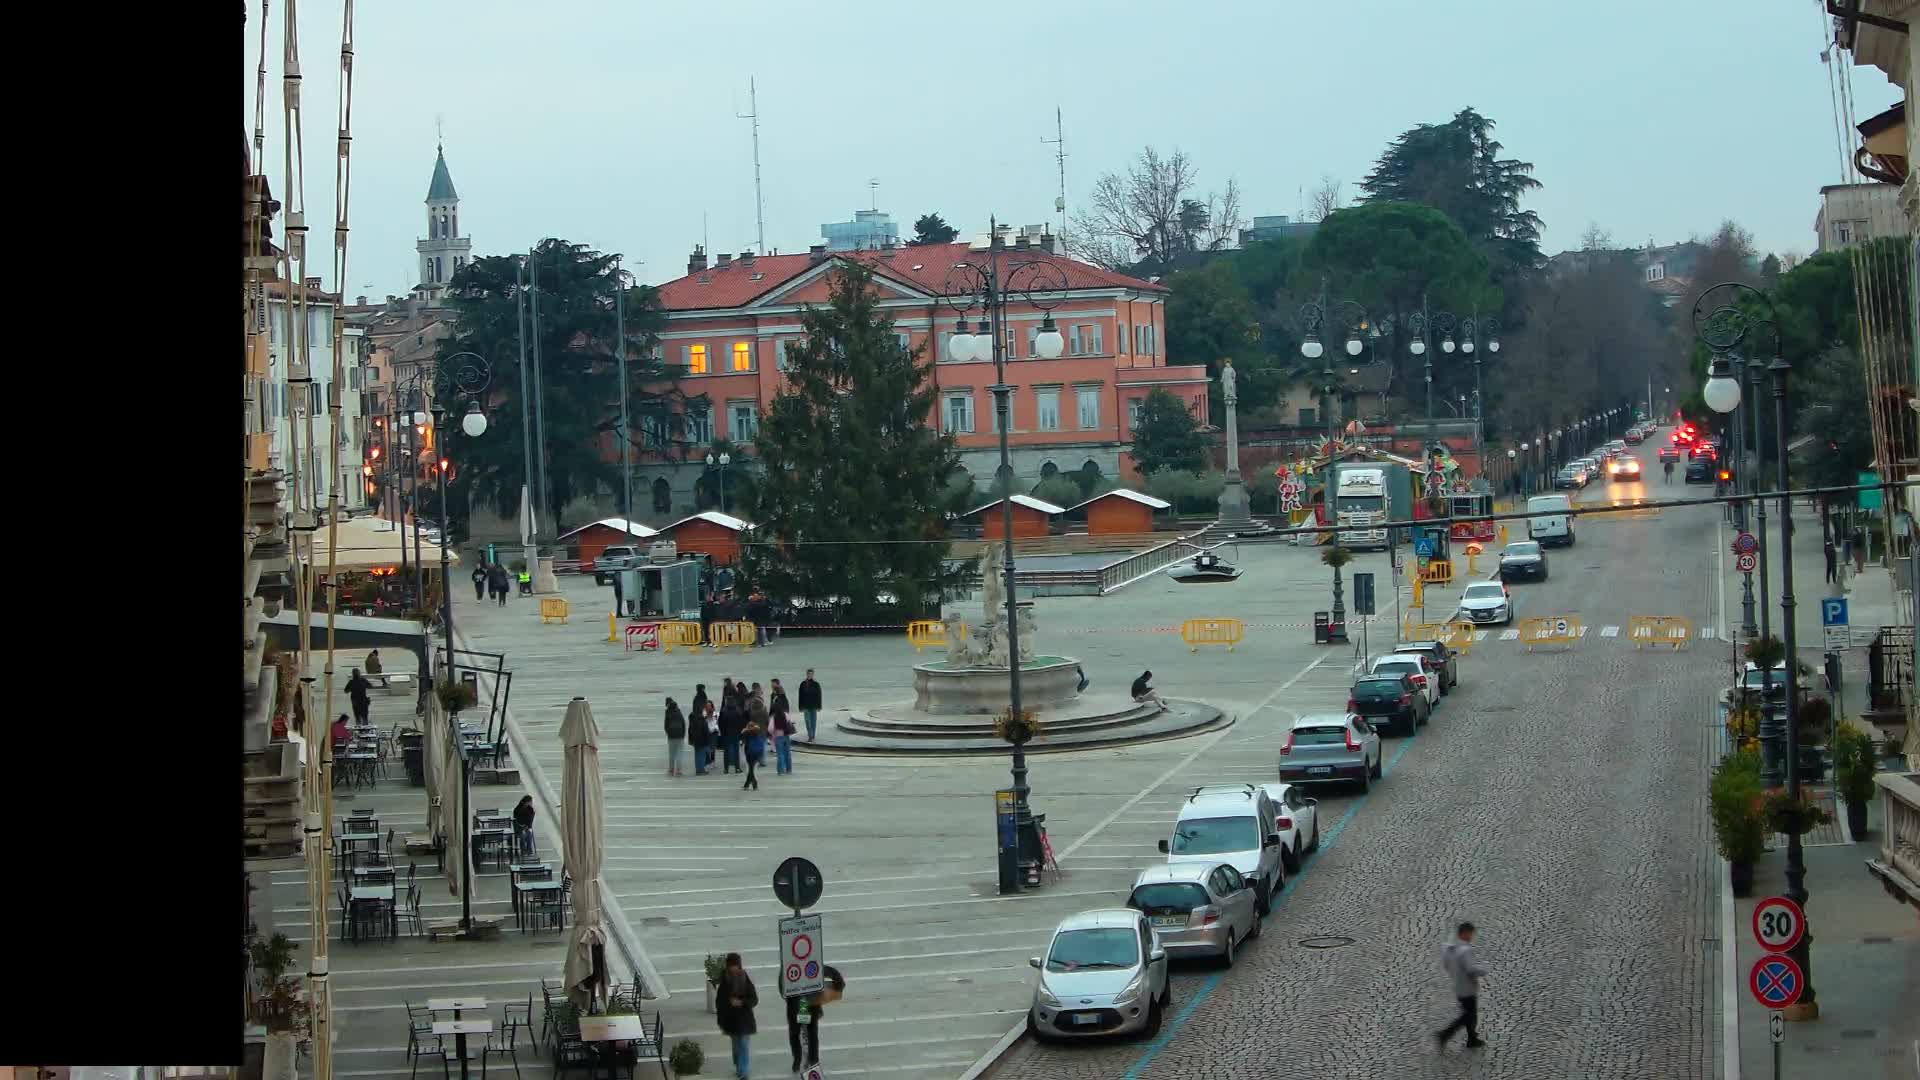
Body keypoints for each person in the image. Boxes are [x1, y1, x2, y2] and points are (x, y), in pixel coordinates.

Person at [1435, 921, 1487, 1050]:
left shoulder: (1450, 948)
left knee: (1470, 1014)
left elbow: (1446, 964)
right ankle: (1445, 1034)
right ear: (1464, 933)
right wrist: (1482, 971)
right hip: (1467, 988)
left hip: (1458, 986)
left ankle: (1472, 1039)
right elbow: (1471, 969)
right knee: (1468, 1015)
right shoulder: (1466, 950)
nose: (1472, 937)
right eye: (1471, 934)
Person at [786, 965, 845, 1073]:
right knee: (803, 1034)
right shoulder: (811, 964)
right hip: (803, 1005)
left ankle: (806, 1061)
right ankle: (805, 1061)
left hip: (804, 1005)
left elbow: (783, 988)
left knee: (804, 1034)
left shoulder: (806, 964)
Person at [715, 953, 758, 1080]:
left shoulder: (745, 979)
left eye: (736, 965)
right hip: (731, 1020)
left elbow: (754, 999)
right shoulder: (725, 981)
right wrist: (721, 1019)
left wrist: (741, 1002)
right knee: (736, 1047)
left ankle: (743, 1072)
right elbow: (719, 1002)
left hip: (745, 1019)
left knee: (743, 1045)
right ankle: (738, 1065)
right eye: (731, 966)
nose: (734, 968)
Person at [719, 688, 745, 775]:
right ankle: (737, 767)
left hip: (726, 734)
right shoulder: (737, 711)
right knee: (736, 751)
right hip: (736, 733)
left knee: (726, 752)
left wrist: (722, 732)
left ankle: (726, 768)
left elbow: (720, 723)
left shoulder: (724, 711)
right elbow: (741, 723)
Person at [769, 693, 794, 775]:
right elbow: (790, 723)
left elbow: (770, 729)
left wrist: (772, 733)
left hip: (778, 737)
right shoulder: (786, 715)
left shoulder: (774, 717)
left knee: (780, 754)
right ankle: (789, 769)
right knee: (787, 753)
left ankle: (781, 771)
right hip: (786, 736)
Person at [687, 695, 713, 775]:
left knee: (697, 755)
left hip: (695, 740)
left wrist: (690, 740)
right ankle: (701, 769)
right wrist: (708, 740)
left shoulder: (692, 718)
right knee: (702, 755)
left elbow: (689, 730)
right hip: (702, 740)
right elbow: (706, 730)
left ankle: (698, 769)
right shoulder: (701, 719)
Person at [664, 697, 687, 778]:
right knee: (679, 753)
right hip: (680, 735)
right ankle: (679, 771)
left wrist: (668, 733)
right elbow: (683, 723)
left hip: (671, 736)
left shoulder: (668, 713)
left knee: (671, 754)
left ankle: (671, 770)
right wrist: (683, 734)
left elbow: (666, 725)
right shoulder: (679, 712)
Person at [741, 714, 765, 791]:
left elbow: (742, 736)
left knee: (750, 769)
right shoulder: (757, 732)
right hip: (757, 752)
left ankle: (754, 784)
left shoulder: (746, 733)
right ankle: (747, 784)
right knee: (752, 769)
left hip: (749, 752)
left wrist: (746, 729)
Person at [798, 669, 822, 743]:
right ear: (806, 674)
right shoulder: (803, 684)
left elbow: (819, 696)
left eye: (811, 674)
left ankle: (812, 735)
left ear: (813, 675)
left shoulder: (816, 684)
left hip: (814, 706)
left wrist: (819, 706)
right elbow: (800, 696)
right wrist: (800, 706)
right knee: (808, 721)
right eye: (809, 674)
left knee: (813, 721)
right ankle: (810, 736)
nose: (810, 675)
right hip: (805, 706)